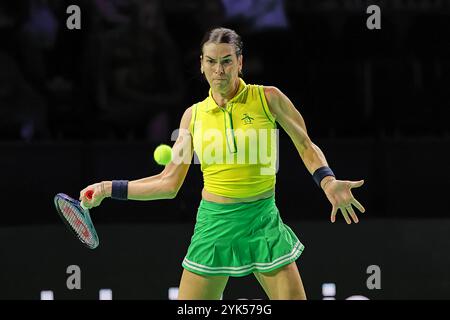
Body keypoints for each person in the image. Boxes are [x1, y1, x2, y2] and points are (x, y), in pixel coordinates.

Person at [79, 27, 366, 300]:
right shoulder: (193, 117)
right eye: (212, 61)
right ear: (201, 64)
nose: (219, 70)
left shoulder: (268, 98)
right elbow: (168, 184)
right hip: (213, 226)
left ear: (240, 63)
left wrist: (327, 180)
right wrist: (106, 188)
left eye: (227, 61)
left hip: (262, 223)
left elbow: (305, 144)